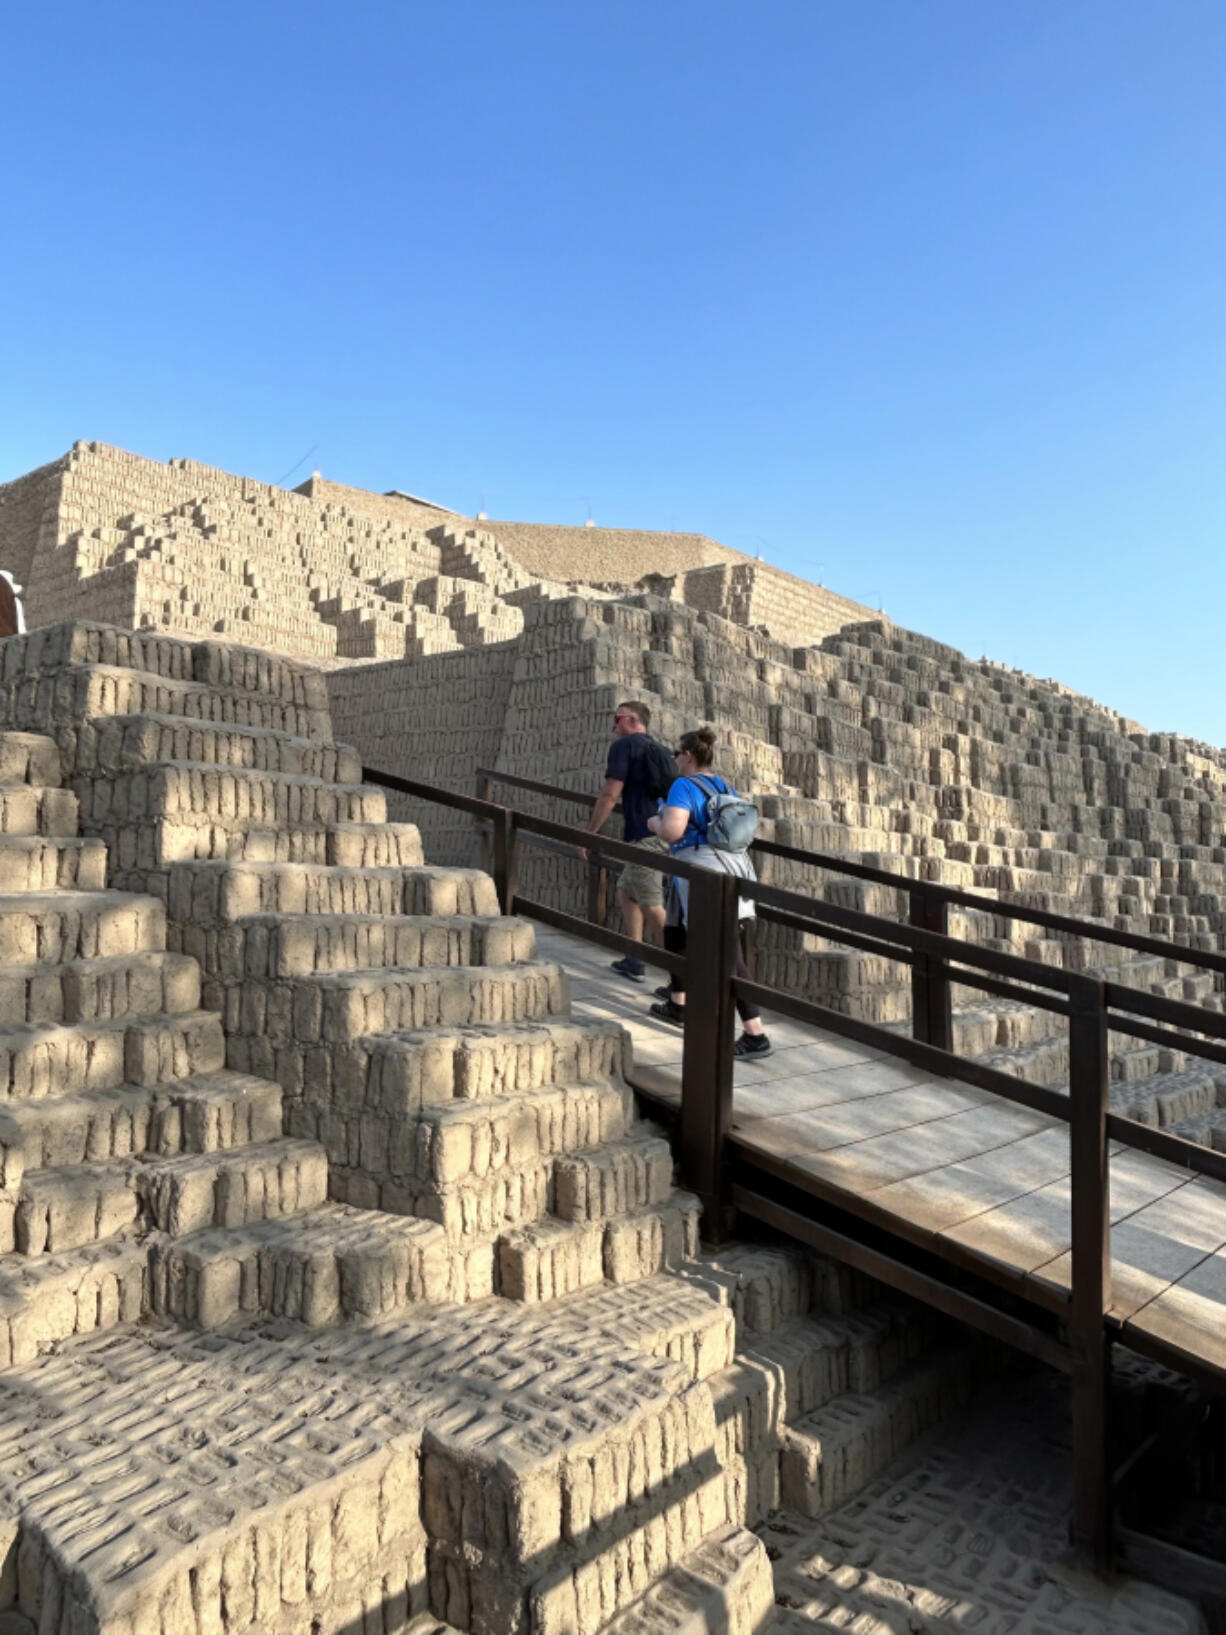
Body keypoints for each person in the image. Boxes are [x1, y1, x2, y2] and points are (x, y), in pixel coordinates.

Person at [645, 726, 773, 1060]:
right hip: (727, 868)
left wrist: (654, 823)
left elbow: (672, 831)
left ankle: (755, 1033)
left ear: (687, 755)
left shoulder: (683, 786)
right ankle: (678, 1003)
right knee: (675, 931)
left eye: (676, 753)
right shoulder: (723, 785)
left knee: (728, 951)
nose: (674, 759)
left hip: (704, 873)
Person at [582, 700, 671, 982]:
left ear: (632, 720)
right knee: (627, 890)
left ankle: (682, 975)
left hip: (645, 837)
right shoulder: (659, 749)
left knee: (651, 903)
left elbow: (610, 794)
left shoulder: (624, 747)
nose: (613, 726)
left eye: (617, 718)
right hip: (659, 832)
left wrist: (590, 833)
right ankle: (635, 957)